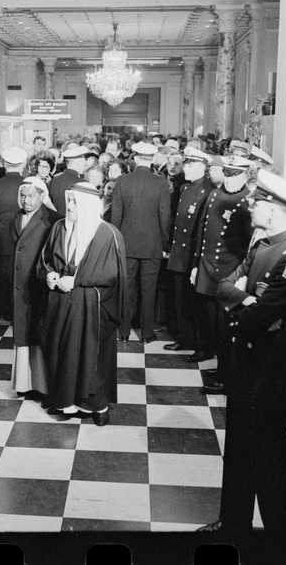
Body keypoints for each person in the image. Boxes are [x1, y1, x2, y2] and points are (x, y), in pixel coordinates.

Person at [198, 170, 286, 535]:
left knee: (269, 463)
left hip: (268, 376)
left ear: (277, 209)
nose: (252, 205)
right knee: (236, 455)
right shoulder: (261, 244)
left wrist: (244, 299)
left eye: (259, 202)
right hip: (243, 368)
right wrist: (243, 297)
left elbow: (257, 317)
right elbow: (225, 286)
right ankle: (233, 523)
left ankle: (277, 537)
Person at [38, 183, 129, 426]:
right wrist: (50, 275)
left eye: (75, 202)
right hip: (60, 303)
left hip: (92, 307)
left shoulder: (107, 234)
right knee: (61, 352)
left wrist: (77, 280)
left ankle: (98, 407)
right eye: (68, 201)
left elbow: (112, 274)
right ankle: (66, 403)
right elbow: (46, 259)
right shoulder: (58, 227)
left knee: (91, 357)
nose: (68, 207)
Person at [192, 155, 255, 388]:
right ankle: (220, 369)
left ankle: (227, 376)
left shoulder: (247, 201)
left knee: (226, 327)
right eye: (226, 174)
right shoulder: (215, 195)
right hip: (208, 269)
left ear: (245, 175)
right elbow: (202, 232)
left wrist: (243, 277)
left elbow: (250, 247)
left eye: (234, 175)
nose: (228, 180)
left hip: (229, 272)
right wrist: (196, 265)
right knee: (210, 321)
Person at [109, 141, 171, 343]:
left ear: (134, 159)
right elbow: (165, 217)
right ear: (152, 159)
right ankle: (147, 333)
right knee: (149, 289)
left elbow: (116, 216)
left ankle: (124, 331)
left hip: (126, 244)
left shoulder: (122, 181)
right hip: (152, 245)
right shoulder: (161, 182)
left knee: (126, 289)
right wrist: (164, 244)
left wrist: (115, 243)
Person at [163, 149, 213, 356]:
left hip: (192, 255)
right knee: (179, 299)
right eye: (186, 164)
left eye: (190, 165)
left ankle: (200, 344)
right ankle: (185, 338)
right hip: (179, 254)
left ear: (203, 167)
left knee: (194, 303)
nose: (185, 168)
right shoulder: (184, 188)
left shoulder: (208, 190)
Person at [10, 177, 55, 395]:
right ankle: (25, 384)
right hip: (20, 288)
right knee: (23, 334)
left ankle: (42, 386)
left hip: (39, 287)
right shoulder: (16, 218)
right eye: (23, 195)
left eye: (31, 196)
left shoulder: (51, 220)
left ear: (42, 196)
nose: (26, 200)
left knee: (39, 334)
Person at [0, 145, 27, 326]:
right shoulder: (28, 183)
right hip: (23, 239)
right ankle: (14, 317)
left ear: (4, 164)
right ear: (23, 164)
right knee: (19, 282)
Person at [48, 145, 87, 215]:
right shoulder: (83, 183)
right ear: (79, 162)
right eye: (84, 162)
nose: (85, 165)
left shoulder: (54, 181)